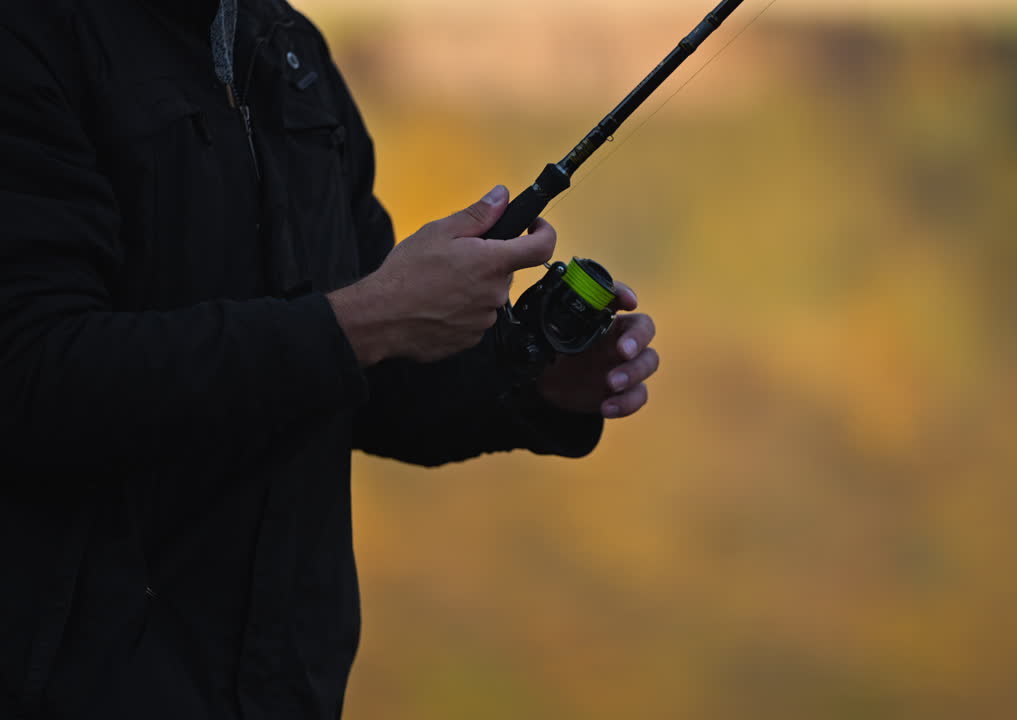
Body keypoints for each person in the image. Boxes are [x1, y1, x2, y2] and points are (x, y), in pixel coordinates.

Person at [0, 0, 660, 717]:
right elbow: (32, 376)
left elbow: (366, 380)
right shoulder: (29, 38)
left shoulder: (289, 49)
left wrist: (533, 380)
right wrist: (363, 322)